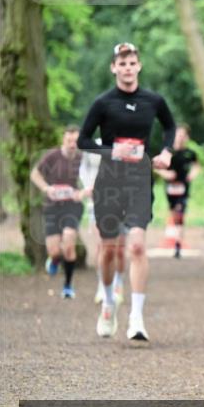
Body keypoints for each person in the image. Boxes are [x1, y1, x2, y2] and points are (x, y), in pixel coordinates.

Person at [78, 42, 176, 341]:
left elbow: (169, 126)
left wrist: (167, 152)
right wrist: (112, 150)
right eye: (122, 64)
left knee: (136, 247)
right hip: (109, 182)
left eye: (132, 63)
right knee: (109, 250)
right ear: (114, 68)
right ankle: (109, 302)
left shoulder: (153, 100)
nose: (127, 68)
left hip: (139, 180)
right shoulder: (103, 103)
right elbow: (83, 140)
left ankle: (136, 318)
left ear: (139, 66)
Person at [30, 125, 85, 299]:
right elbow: (35, 174)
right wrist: (46, 188)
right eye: (69, 141)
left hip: (72, 206)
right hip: (52, 206)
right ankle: (54, 259)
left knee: (69, 243)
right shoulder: (52, 156)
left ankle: (68, 286)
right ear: (63, 139)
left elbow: (91, 180)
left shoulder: (82, 158)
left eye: (76, 141)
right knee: (54, 250)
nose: (72, 144)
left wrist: (81, 193)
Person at [79, 139, 126, 305]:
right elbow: (83, 169)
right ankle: (102, 286)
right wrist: (89, 187)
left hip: (121, 202)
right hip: (97, 202)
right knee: (102, 247)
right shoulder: (93, 146)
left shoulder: (125, 145)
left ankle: (118, 283)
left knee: (119, 250)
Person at [154, 124, 200, 258]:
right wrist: (166, 174)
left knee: (180, 211)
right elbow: (156, 166)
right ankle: (176, 237)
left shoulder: (190, 153)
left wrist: (192, 174)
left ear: (187, 137)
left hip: (183, 187)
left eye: (183, 135)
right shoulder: (168, 153)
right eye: (178, 135)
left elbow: (196, 166)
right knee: (174, 213)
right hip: (170, 188)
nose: (180, 138)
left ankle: (178, 243)